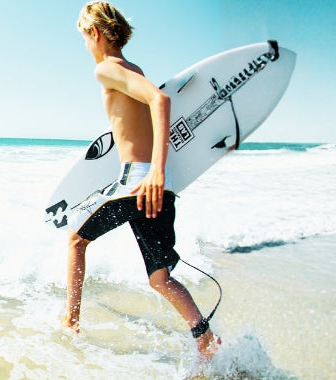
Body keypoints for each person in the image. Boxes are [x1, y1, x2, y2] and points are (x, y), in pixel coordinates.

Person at [66, 1, 218, 359]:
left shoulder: (105, 69)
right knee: (160, 278)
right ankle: (206, 339)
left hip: (138, 182)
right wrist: (160, 175)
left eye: (84, 37)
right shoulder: (134, 69)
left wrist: (154, 170)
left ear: (95, 33)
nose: (85, 45)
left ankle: (69, 324)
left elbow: (159, 100)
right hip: (160, 188)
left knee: (75, 240)